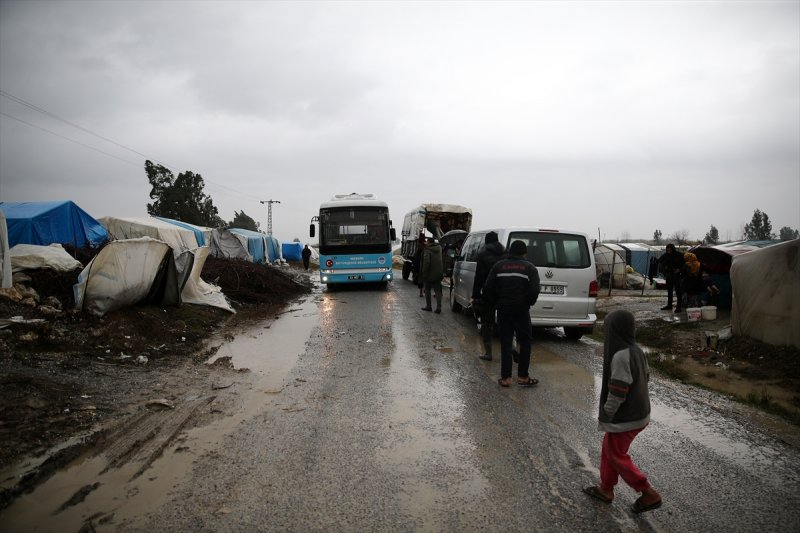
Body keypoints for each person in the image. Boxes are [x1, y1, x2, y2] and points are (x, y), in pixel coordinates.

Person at [583, 309, 662, 514]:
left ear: (615, 331)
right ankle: (606, 489)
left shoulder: (620, 356)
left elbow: (618, 391)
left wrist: (607, 412)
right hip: (640, 412)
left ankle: (648, 492)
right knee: (609, 449)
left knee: (615, 454)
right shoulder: (637, 350)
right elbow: (646, 376)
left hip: (627, 418)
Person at [481, 240, 540, 387]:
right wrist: (527, 302)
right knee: (525, 342)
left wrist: (496, 302)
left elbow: (487, 288)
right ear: (525, 253)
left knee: (506, 342)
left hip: (503, 309)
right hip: (522, 310)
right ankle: (523, 377)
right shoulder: (530, 268)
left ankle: (506, 378)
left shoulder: (498, 266)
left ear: (510, 252)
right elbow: (534, 290)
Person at [470, 231, 505, 361]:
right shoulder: (505, 253)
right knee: (506, 322)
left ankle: (488, 353)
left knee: (487, 323)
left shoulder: (482, 254)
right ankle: (509, 350)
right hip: (503, 293)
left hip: (488, 292)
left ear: (486, 241)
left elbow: (479, 277)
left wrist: (475, 295)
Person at [657, 244, 684, 312]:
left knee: (678, 291)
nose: (668, 251)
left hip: (676, 275)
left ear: (673, 249)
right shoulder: (665, 255)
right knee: (669, 291)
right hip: (669, 275)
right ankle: (669, 305)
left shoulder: (679, 255)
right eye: (667, 250)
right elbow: (660, 261)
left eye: (670, 250)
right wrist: (664, 269)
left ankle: (679, 307)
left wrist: (680, 270)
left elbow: (684, 264)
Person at [420, 236, 444, 313]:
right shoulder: (439, 249)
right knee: (437, 290)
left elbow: (426, 263)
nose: (426, 243)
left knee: (427, 290)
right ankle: (439, 307)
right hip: (438, 273)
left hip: (429, 274)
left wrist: (424, 274)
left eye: (427, 242)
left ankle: (429, 306)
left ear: (429, 242)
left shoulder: (427, 250)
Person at [411, 232, 425, 297]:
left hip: (419, 264)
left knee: (420, 279)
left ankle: (421, 292)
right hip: (423, 264)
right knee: (424, 279)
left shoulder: (419, 245)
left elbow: (417, 257)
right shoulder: (424, 246)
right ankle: (423, 291)